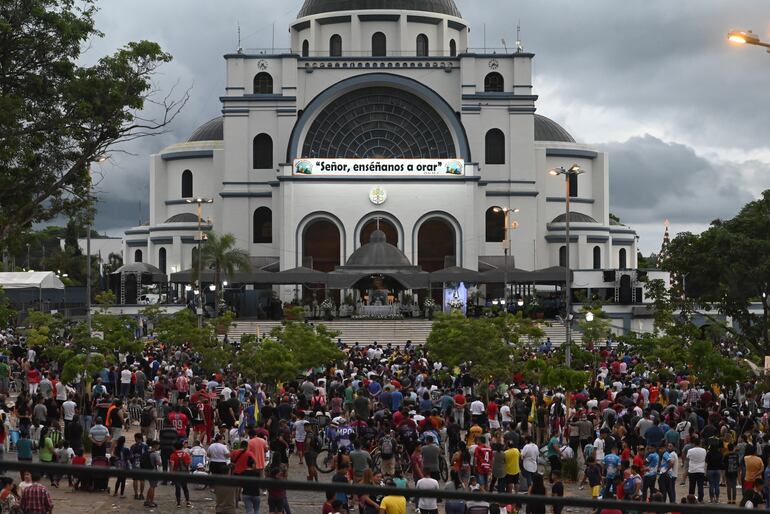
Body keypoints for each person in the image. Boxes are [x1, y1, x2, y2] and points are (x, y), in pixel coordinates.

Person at [169, 441, 192, 508]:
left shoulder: (173, 455)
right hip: (184, 473)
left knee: (177, 488)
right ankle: (188, 502)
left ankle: (179, 503)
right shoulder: (185, 454)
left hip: (176, 473)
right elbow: (189, 463)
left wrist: (171, 473)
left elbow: (172, 465)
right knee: (185, 487)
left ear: (174, 447)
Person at [141, 440, 161, 509]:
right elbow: (159, 463)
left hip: (147, 470)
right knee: (152, 487)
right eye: (158, 445)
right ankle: (151, 502)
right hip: (153, 471)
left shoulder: (147, 452)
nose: (159, 447)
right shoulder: (155, 454)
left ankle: (147, 501)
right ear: (155, 445)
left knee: (151, 487)